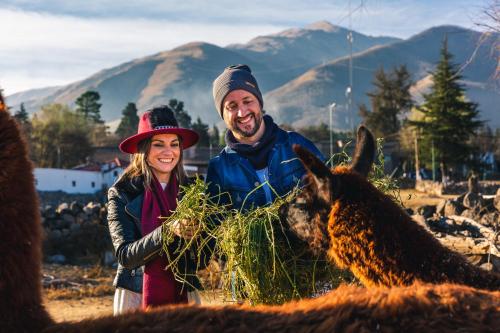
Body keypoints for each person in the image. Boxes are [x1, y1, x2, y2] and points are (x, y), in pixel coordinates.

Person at [107, 105, 202, 315]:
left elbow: (202, 260)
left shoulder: (193, 191)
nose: (169, 152)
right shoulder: (122, 193)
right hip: (136, 297)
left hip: (185, 294)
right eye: (159, 144)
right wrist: (168, 231)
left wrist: (202, 236)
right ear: (144, 149)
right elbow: (125, 256)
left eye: (174, 144)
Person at [207, 64, 325, 210]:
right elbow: (212, 223)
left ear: (259, 102)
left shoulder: (296, 145)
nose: (242, 112)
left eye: (247, 101)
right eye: (232, 106)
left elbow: (332, 189)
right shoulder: (219, 168)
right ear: (222, 115)